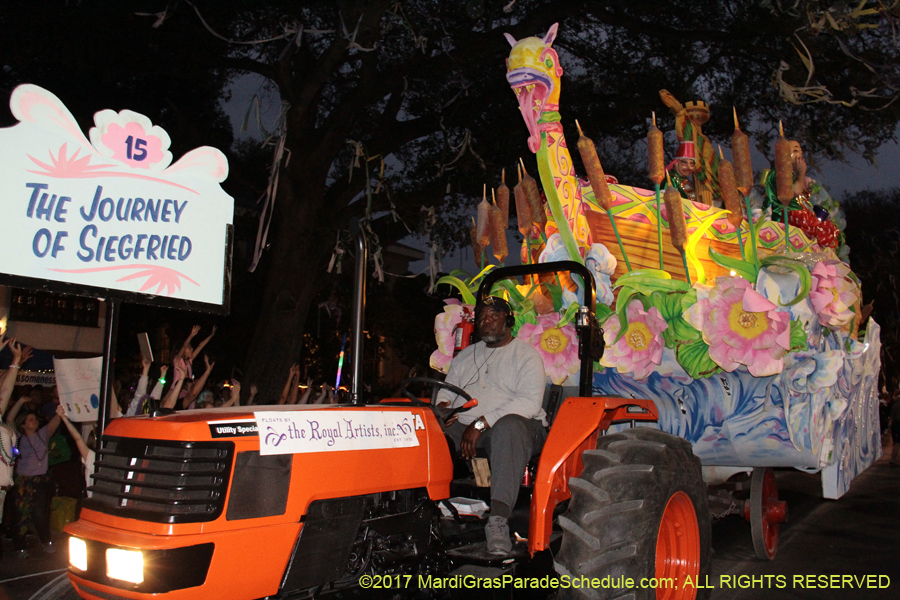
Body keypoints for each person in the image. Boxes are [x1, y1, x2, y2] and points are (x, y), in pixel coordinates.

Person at [436, 296, 547, 555]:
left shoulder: (526, 355)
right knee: (425, 426)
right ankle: (421, 507)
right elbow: (446, 392)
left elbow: (529, 403)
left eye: (494, 315)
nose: (487, 321)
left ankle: (498, 520)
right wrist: (443, 409)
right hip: (466, 424)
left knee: (509, 427)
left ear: (509, 321)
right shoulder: (466, 356)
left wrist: (480, 423)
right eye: (483, 317)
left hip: (517, 427)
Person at [6, 380, 62, 558]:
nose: (34, 421)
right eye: (30, 419)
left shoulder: (43, 434)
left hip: (41, 481)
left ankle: (46, 541)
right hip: (23, 481)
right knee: (20, 515)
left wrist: (61, 408)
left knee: (39, 514)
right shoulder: (18, 437)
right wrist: (21, 402)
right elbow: (9, 419)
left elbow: (56, 420)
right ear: (23, 424)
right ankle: (20, 546)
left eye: (35, 419)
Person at [763, 140, 841, 249]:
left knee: (827, 228)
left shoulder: (790, 174)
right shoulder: (780, 171)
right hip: (786, 215)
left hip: (796, 214)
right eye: (795, 151)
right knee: (820, 229)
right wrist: (801, 172)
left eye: (800, 151)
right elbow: (794, 191)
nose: (800, 154)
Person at [890, 397, 900, 467]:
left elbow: (892, 416)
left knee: (897, 442)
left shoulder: (895, 406)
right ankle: (893, 459)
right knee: (898, 442)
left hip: (895, 424)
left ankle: (893, 458)